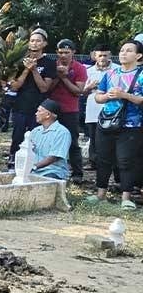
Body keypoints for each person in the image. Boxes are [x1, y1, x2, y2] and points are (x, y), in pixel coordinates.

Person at [87, 40, 143, 209]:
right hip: (106, 122)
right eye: (122, 50)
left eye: (129, 50)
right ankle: (100, 194)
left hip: (131, 125)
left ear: (139, 56)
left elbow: (141, 100)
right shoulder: (111, 73)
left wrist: (124, 95)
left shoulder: (141, 75)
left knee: (125, 160)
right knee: (103, 159)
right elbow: (98, 96)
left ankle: (126, 197)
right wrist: (106, 97)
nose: (123, 53)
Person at [7, 27, 56, 169]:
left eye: (38, 41)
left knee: (36, 139)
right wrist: (26, 69)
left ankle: (35, 166)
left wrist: (34, 70)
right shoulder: (19, 61)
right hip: (20, 106)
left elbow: (44, 88)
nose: (34, 44)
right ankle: (13, 164)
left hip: (39, 108)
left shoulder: (49, 63)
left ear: (44, 44)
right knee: (17, 137)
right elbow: (15, 86)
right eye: (32, 40)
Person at [48, 39, 87, 184]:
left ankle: (77, 173)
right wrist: (58, 76)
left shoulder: (79, 68)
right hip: (51, 109)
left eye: (67, 52)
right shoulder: (52, 65)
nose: (63, 55)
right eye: (61, 52)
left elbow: (78, 91)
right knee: (50, 140)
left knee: (72, 142)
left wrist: (64, 78)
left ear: (73, 52)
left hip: (70, 110)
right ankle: (49, 169)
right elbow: (47, 88)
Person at [27, 99, 72, 181]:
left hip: (53, 171)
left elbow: (53, 157)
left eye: (39, 111)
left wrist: (34, 167)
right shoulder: (35, 131)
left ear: (47, 115)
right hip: (33, 170)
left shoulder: (62, 132)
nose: (36, 113)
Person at [84, 46, 113, 170]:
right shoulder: (88, 71)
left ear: (110, 55)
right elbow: (82, 92)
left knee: (110, 137)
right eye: (100, 55)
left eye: (105, 55)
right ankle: (93, 162)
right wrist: (89, 87)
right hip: (92, 109)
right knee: (93, 137)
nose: (102, 58)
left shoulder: (116, 69)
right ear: (94, 56)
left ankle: (110, 163)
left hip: (110, 109)